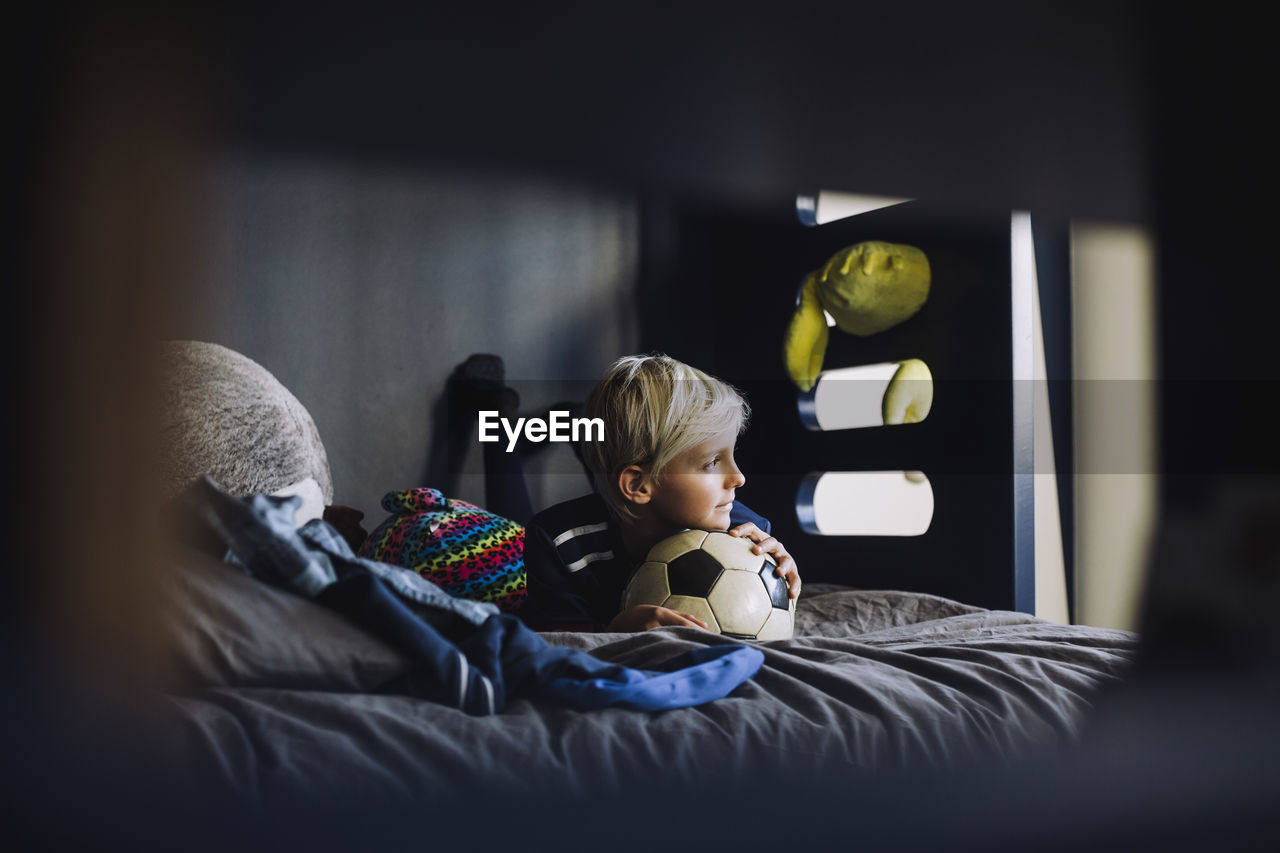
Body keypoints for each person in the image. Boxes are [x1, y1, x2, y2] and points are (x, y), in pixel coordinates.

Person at [518, 354, 801, 633]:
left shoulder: (746, 534)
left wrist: (778, 582)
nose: (738, 478)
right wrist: (613, 631)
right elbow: (556, 641)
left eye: (731, 454)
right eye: (712, 462)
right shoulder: (557, 543)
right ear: (639, 486)